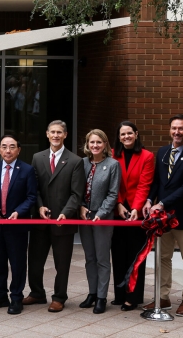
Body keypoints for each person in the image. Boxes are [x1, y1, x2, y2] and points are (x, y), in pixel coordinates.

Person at [143, 114, 183, 317]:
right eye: (174, 128)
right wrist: (149, 200)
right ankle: (163, 297)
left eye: (181, 128)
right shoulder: (162, 152)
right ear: (170, 130)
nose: (177, 132)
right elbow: (157, 181)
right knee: (163, 257)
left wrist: (161, 203)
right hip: (163, 219)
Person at [25, 120, 86, 313]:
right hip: (41, 220)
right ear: (47, 134)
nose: (56, 135)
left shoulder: (75, 161)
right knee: (35, 261)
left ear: (65, 135)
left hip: (63, 221)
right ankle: (37, 293)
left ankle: (59, 297)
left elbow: (77, 194)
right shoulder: (37, 157)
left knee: (62, 263)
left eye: (59, 132)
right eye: (53, 132)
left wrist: (65, 213)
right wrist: (40, 206)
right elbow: (34, 188)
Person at [0, 135, 37, 315]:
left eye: (12, 146)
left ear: (19, 150)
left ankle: (16, 297)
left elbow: (31, 196)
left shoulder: (27, 170)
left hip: (17, 224)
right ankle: (0, 295)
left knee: (17, 263)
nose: (8, 150)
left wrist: (19, 211)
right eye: (4, 147)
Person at [110, 121, 154, 311]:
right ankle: (120, 295)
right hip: (117, 210)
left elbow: (145, 184)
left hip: (138, 212)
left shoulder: (147, 156)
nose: (126, 137)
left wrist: (135, 208)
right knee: (118, 253)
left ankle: (133, 296)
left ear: (136, 134)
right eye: (122, 134)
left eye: (129, 133)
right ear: (118, 137)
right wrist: (118, 203)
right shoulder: (112, 154)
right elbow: (112, 183)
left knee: (135, 255)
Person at [77, 129, 119, 314]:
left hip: (103, 216)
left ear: (105, 144)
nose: (95, 145)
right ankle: (92, 293)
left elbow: (113, 193)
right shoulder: (82, 163)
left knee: (102, 258)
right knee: (90, 257)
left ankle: (102, 297)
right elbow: (76, 188)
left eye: (99, 142)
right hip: (84, 215)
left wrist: (101, 213)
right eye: (92, 142)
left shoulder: (113, 164)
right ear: (87, 144)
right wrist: (80, 206)